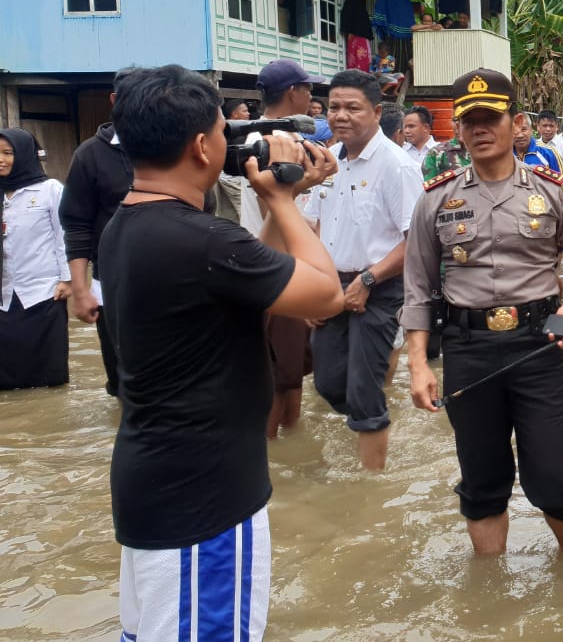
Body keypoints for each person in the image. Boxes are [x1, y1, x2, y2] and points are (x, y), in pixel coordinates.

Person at [98, 64, 343, 642]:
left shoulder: (128, 225)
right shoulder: (202, 240)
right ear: (202, 146)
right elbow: (327, 295)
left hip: (154, 486)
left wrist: (290, 197)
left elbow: (249, 279)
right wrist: (282, 199)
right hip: (204, 502)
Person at [402, 68, 563, 554]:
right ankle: (490, 596)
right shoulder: (435, 199)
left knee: (555, 476)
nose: (479, 129)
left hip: (540, 346)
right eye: (469, 120)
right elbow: (418, 286)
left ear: (517, 123)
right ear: (458, 127)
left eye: (491, 118)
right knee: (483, 479)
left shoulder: (556, 190)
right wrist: (416, 364)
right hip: (467, 349)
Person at [302, 69, 424, 470]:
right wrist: (310, 288)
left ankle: (372, 485)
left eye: (352, 108)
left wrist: (368, 280)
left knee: (364, 391)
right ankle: (374, 422)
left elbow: (418, 241)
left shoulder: (397, 166)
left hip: (379, 286)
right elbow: (312, 227)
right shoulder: (327, 161)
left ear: (375, 111)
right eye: (334, 107)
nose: (340, 115)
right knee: (327, 383)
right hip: (331, 284)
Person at [242, 59, 327, 438]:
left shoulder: (271, 135)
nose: (312, 97)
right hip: (278, 266)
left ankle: (289, 452)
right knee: (279, 377)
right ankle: (274, 454)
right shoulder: (270, 142)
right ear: (293, 92)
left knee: (291, 374)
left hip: (283, 264)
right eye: (308, 89)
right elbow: (272, 206)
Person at [60, 67, 135, 397]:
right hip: (112, 280)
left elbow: (204, 209)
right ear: (115, 101)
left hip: (175, 277)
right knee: (121, 376)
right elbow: (76, 225)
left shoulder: (176, 146)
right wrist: (80, 289)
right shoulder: (90, 154)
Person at [0, 128, 71, 389]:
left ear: (25, 155)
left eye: (8, 153)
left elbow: (63, 234)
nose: (1, 159)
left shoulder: (49, 190)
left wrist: (67, 279)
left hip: (43, 291)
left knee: (47, 376)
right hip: (4, 294)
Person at [372, 0, 415, 80]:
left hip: (405, 37)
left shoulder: (406, 2)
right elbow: (379, 6)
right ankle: (389, 80)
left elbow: (410, 19)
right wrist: (385, 24)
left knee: (405, 57)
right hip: (391, 35)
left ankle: (403, 80)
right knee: (391, 56)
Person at [341, 0, 374, 72]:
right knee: (355, 61)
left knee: (365, 61)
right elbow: (347, 18)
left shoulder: (362, 6)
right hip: (354, 38)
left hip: (363, 39)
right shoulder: (350, 3)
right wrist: (349, 31)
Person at [536, 110, 563, 177]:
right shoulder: (534, 145)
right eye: (544, 125)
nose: (548, 129)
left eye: (551, 126)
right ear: (538, 126)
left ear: (557, 127)